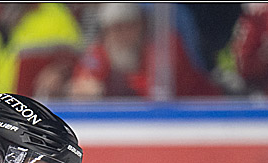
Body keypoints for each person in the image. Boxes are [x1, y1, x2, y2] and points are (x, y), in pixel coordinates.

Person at [68, 2, 223, 99]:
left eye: (129, 26)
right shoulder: (101, 51)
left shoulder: (165, 46)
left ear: (142, 26)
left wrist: (111, 86)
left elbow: (155, 95)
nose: (122, 35)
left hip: (203, 111)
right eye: (115, 29)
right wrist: (86, 87)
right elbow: (82, 84)